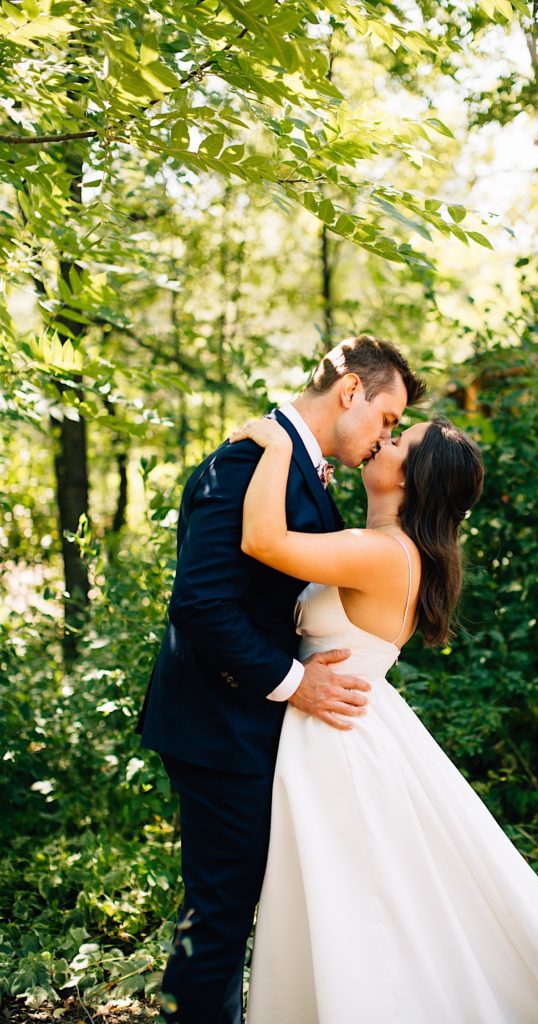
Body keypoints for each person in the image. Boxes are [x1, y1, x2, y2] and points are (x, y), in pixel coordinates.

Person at [228, 414, 538, 1024]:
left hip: (340, 743)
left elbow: (262, 541)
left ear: (412, 482)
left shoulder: (384, 554)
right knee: (354, 902)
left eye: (399, 442)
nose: (383, 441)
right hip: (342, 726)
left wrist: (281, 442)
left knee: (355, 906)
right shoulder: (384, 547)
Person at [136, 334, 427, 1024]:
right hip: (218, 725)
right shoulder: (246, 461)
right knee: (218, 917)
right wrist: (294, 683)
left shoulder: (300, 467)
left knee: (237, 910)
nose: (385, 437)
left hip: (252, 728)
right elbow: (201, 603)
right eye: (387, 419)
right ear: (350, 390)